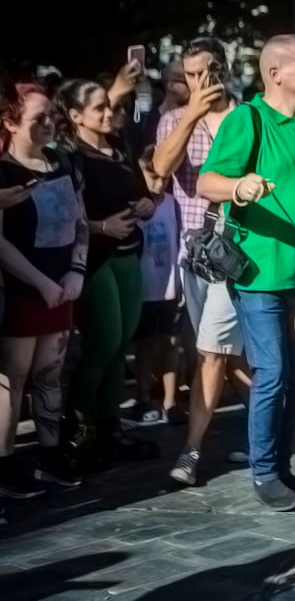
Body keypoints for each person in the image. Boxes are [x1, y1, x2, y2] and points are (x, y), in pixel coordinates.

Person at [197, 34, 295, 511]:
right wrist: (239, 186)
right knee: (272, 370)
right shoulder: (247, 119)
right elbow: (205, 182)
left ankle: (281, 468)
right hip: (258, 274)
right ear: (275, 73)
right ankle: (263, 471)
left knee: (292, 372)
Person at [156, 38, 250, 487]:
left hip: (243, 252)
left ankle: (193, 451)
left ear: (224, 68)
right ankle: (264, 435)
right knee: (219, 354)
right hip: (196, 255)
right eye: (191, 74)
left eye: (208, 69)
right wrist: (193, 112)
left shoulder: (250, 115)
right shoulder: (175, 119)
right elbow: (160, 166)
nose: (201, 80)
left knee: (216, 353)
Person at [57, 79, 159, 470]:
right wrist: (101, 227)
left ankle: (109, 427)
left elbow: (141, 193)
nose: (108, 113)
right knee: (102, 343)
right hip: (94, 259)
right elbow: (64, 210)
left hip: (129, 254)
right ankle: (79, 429)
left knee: (121, 348)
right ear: (75, 114)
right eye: (98, 107)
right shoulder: (68, 155)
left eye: (108, 106)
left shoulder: (118, 149)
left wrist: (146, 205)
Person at [0, 83, 86, 495]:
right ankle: (6, 464)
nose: (50, 123)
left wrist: (76, 271)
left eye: (52, 115)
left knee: (50, 375)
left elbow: (80, 223)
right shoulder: (3, 172)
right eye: (39, 118)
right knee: (12, 379)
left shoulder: (63, 163)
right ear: (11, 122)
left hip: (61, 288)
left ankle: (50, 458)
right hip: (22, 291)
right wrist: (40, 282)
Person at [129, 147, 185, 427]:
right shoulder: (133, 207)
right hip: (143, 288)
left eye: (164, 177)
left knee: (171, 343)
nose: (158, 183)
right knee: (146, 345)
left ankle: (171, 401)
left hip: (169, 287)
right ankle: (142, 396)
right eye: (151, 177)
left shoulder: (173, 204)